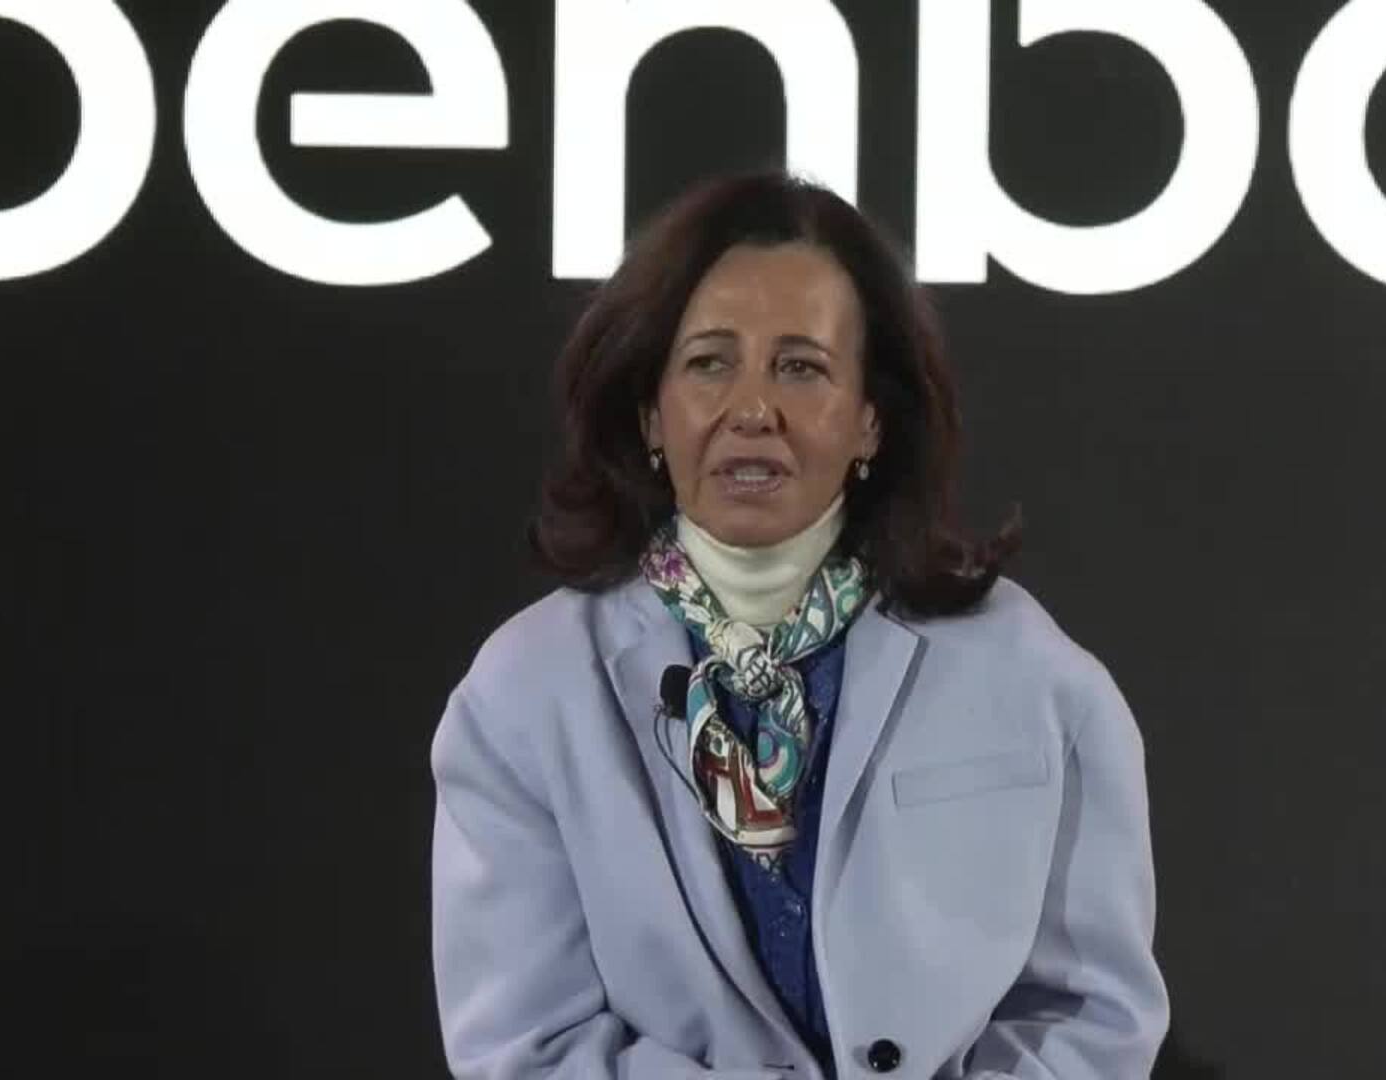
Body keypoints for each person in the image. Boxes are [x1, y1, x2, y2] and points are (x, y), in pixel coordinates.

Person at [429, 171, 1168, 1079]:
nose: (752, 410)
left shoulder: (1035, 676)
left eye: (800, 367)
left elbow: (1091, 1015)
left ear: (870, 422)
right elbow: (526, 1047)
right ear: (651, 413)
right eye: (710, 363)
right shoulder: (522, 695)